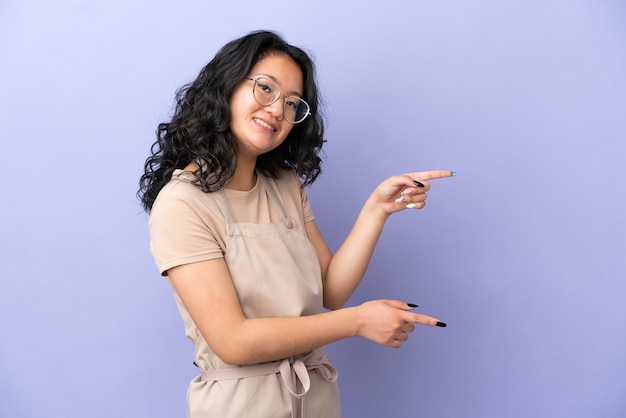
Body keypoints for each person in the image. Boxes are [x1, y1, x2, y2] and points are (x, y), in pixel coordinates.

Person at [138, 30, 454, 418]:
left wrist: (376, 210)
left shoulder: (284, 186)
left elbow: (331, 291)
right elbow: (233, 341)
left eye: (292, 103)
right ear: (226, 87)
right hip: (242, 406)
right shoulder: (182, 203)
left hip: (315, 398)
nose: (276, 109)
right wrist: (357, 322)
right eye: (265, 88)